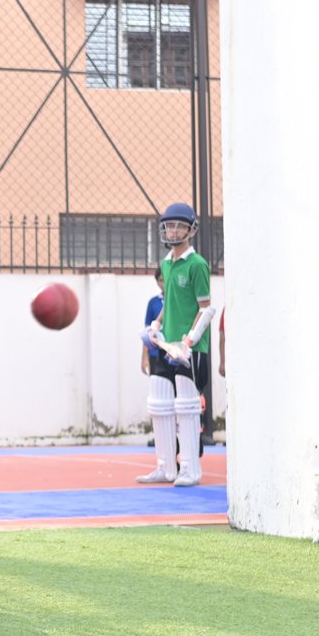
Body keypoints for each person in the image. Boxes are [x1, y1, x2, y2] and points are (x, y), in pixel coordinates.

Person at [137, 202, 214, 487]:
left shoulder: (197, 265)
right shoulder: (166, 264)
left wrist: (190, 340)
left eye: (179, 226)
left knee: (187, 407)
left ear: (191, 230)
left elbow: (205, 308)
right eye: (169, 225)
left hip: (189, 348)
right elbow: (169, 302)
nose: (173, 231)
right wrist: (156, 325)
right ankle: (166, 467)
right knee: (159, 404)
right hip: (166, 343)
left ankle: (191, 470)